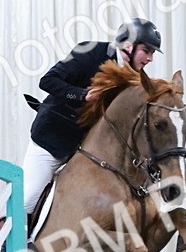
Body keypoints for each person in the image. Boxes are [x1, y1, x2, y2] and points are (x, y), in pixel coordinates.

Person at [23, 17, 163, 217]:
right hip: (52, 139)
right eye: (147, 51)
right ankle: (7, 247)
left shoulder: (134, 79)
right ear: (129, 45)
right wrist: (82, 94)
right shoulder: (88, 52)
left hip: (87, 150)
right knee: (29, 198)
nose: (150, 58)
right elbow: (47, 81)